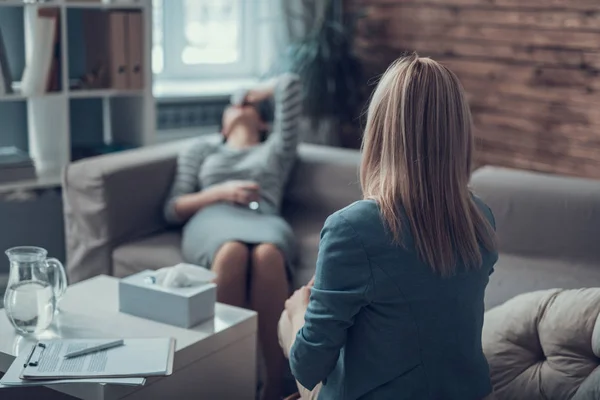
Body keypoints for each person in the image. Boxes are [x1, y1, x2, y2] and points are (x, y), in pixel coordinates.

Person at [279, 54, 499, 400]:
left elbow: (308, 367)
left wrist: (298, 312)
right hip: (470, 392)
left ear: (379, 130)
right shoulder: (481, 218)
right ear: (459, 134)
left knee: (287, 321)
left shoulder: (351, 229)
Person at [163, 73, 303, 400]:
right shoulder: (202, 148)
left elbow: (291, 84)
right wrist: (219, 192)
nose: (239, 107)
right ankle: (224, 382)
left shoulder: (276, 149)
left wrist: (251, 93)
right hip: (212, 219)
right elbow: (172, 208)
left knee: (268, 255)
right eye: (232, 106)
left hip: (263, 218)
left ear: (265, 124)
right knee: (232, 253)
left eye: (250, 106)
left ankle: (274, 386)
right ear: (222, 126)